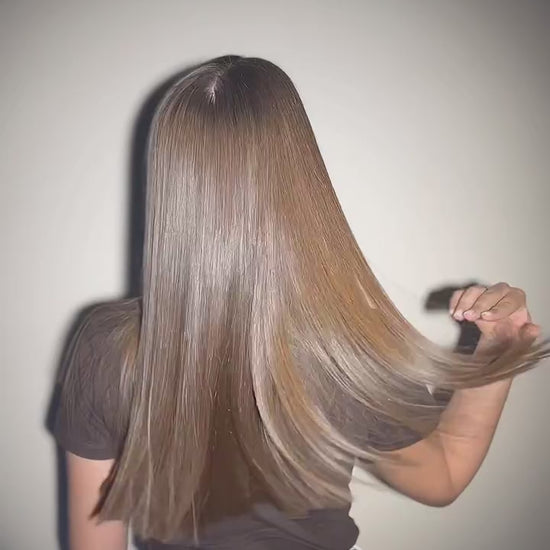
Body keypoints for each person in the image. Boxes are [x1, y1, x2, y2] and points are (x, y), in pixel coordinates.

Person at [53, 56, 548, 550]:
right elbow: (443, 477)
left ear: (171, 183)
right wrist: (498, 351)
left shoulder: (110, 347)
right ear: (301, 176)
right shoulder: (342, 349)